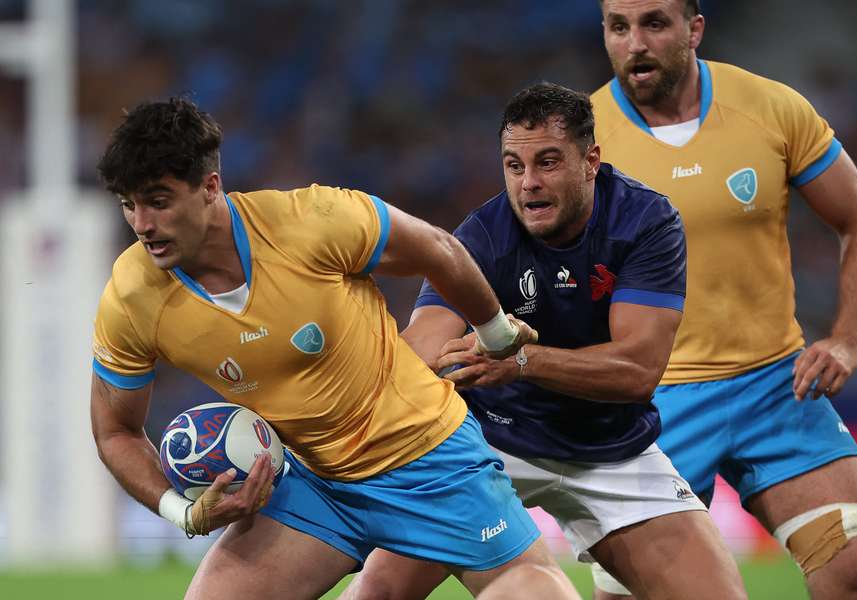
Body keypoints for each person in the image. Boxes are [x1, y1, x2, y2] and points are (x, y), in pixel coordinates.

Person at [88, 97, 569, 600]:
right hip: (315, 483)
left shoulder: (310, 222)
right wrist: (183, 511)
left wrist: (495, 333)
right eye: (128, 204)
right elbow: (115, 430)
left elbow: (439, 249)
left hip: (429, 460)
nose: (141, 224)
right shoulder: (132, 296)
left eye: (158, 201)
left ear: (210, 187)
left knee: (533, 592)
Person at [341, 83, 747, 599]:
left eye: (548, 163)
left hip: (612, 453)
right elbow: (424, 342)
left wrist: (521, 362)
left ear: (590, 160)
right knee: (376, 593)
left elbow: (637, 371)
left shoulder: (645, 222)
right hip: (490, 445)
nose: (528, 184)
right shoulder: (482, 236)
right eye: (514, 166)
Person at [588, 1, 857, 599]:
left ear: (694, 28)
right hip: (650, 406)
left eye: (655, 23)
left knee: (856, 571)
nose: (635, 43)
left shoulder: (770, 108)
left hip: (776, 388)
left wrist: (848, 338)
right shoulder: (582, 137)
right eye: (618, 27)